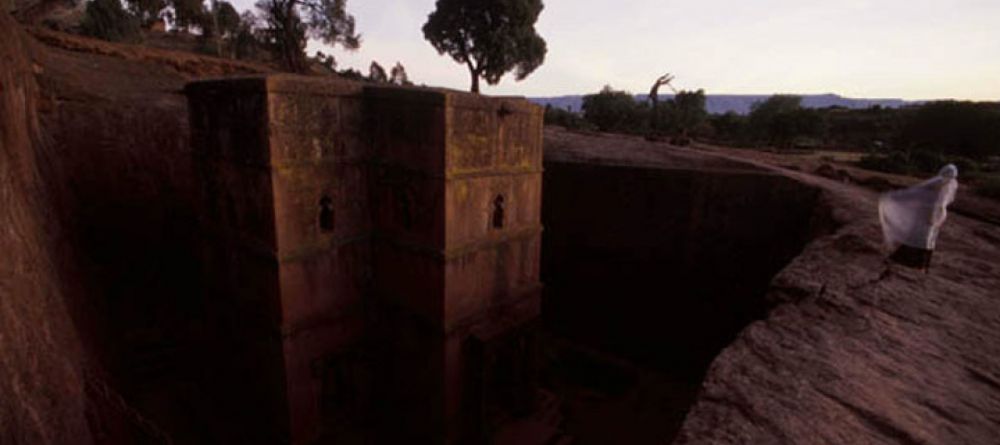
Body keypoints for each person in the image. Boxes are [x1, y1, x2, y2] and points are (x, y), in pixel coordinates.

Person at [878, 164, 959, 272]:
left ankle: (920, 265)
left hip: (931, 218)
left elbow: (940, 204)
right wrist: (933, 217)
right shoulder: (936, 186)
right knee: (921, 239)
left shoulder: (946, 185)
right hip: (927, 217)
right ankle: (914, 264)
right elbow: (929, 202)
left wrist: (937, 218)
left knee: (926, 240)